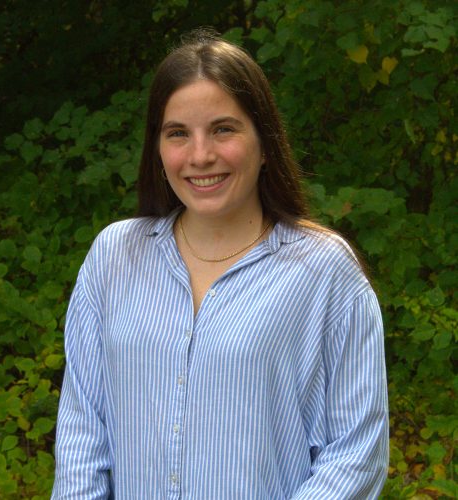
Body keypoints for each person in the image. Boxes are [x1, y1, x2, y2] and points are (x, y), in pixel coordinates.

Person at [52, 30, 389, 499]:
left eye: (223, 129)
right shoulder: (115, 256)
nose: (200, 155)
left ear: (265, 141)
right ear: (158, 148)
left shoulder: (323, 272)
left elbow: (358, 452)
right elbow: (82, 435)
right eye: (178, 134)